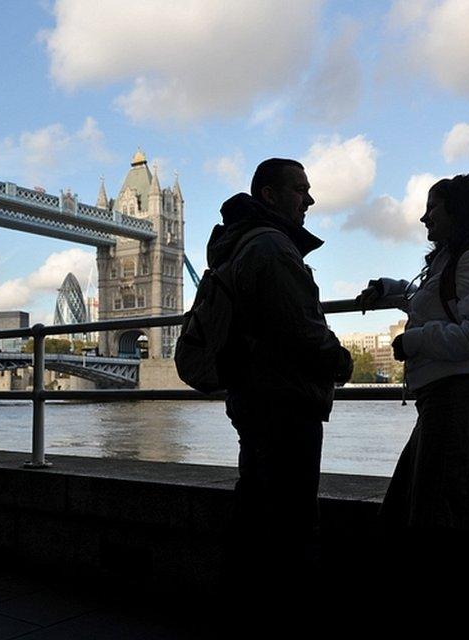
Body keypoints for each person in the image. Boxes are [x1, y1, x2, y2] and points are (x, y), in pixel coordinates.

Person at [356, 173, 469, 626]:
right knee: (435, 513)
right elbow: (432, 303)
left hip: (462, 402)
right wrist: (391, 290)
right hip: (447, 401)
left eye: (433, 207)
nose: (423, 216)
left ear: (456, 211)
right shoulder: (454, 258)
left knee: (444, 523)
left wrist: (413, 344)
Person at [210, 158, 353, 604]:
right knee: (292, 521)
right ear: (269, 195)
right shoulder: (271, 247)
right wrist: (340, 360)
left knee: (253, 507)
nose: (309, 199)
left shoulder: (239, 244)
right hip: (285, 398)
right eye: (300, 189)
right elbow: (298, 326)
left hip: (253, 396)